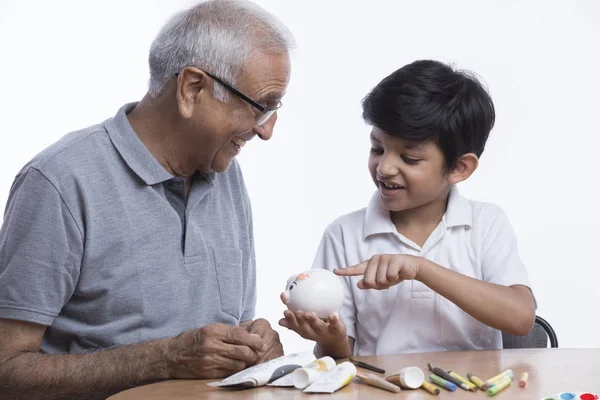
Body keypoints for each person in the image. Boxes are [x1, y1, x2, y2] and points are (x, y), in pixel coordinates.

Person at [0, 1, 294, 399]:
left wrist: (254, 349)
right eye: (262, 107)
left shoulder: (225, 171)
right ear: (192, 88)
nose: (266, 131)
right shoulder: (59, 182)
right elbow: (7, 371)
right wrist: (163, 359)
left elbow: (227, 337)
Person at [279, 60, 536, 358]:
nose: (385, 168)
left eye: (409, 158)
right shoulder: (344, 234)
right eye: (377, 149)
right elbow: (337, 357)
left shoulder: (486, 223)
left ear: (458, 167)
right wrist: (331, 338)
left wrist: (420, 268)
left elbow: (520, 317)